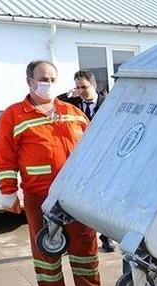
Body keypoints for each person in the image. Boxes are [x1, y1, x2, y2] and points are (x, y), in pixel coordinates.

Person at [0, 60, 113, 286]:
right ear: (30, 81)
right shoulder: (13, 116)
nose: (48, 83)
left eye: (52, 79)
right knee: (46, 249)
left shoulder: (73, 113)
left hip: (75, 196)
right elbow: (4, 157)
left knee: (85, 244)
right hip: (40, 198)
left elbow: (95, 152)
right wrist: (8, 191)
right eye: (43, 78)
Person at [57, 70, 115, 253]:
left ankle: (106, 237)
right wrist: (68, 94)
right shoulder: (72, 102)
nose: (81, 90)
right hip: (80, 158)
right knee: (77, 198)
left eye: (84, 87)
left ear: (94, 85)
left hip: (104, 158)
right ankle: (73, 236)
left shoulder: (109, 102)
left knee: (103, 198)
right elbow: (54, 102)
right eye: (78, 87)